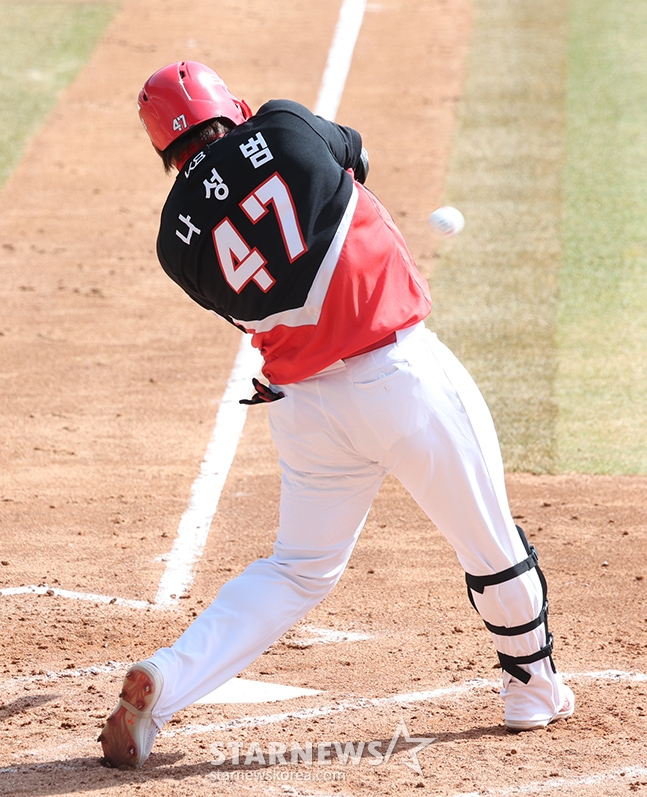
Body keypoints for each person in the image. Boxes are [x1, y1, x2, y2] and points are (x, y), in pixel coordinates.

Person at [98, 61, 574, 769]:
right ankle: (532, 690)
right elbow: (357, 158)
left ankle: (165, 681)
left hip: (306, 410)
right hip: (401, 377)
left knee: (297, 569)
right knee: (490, 541)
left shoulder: (175, 241)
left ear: (162, 147)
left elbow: (253, 303)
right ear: (227, 106)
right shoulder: (283, 125)